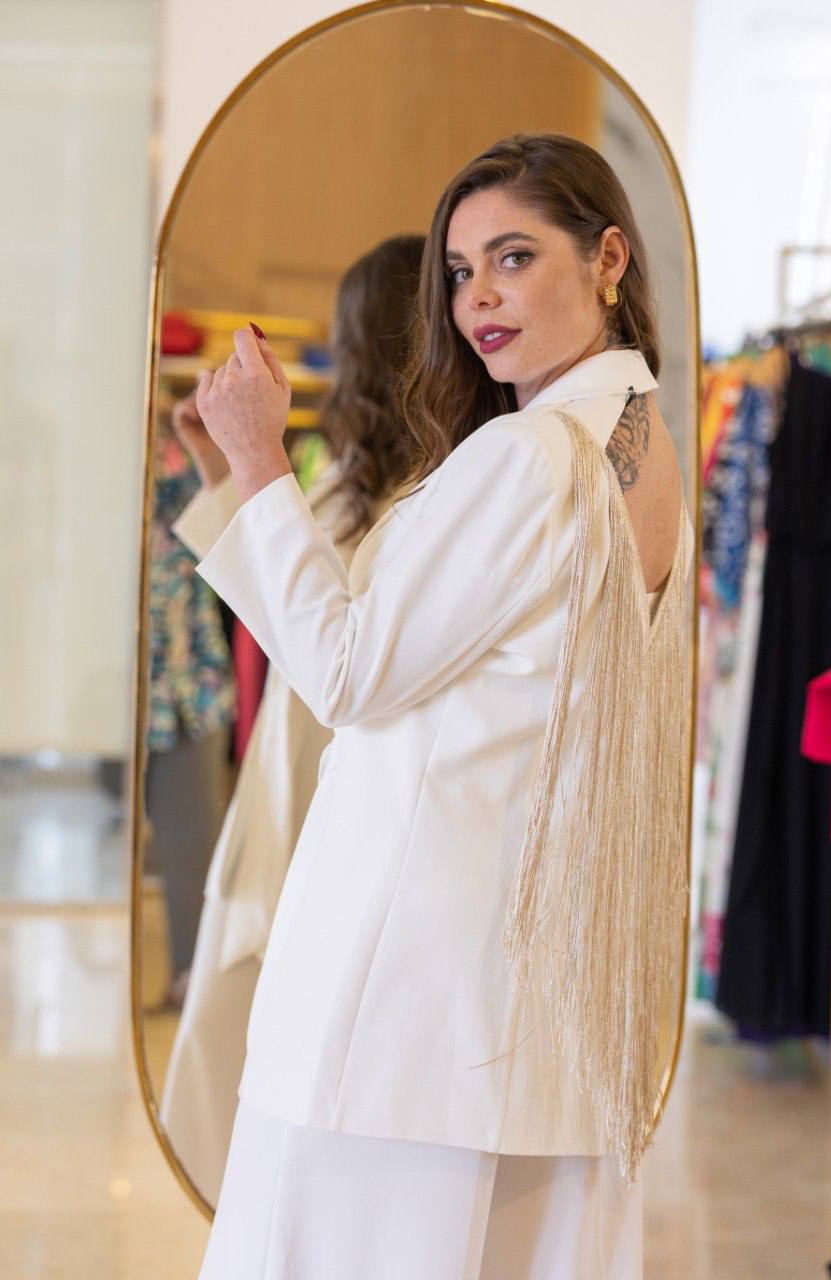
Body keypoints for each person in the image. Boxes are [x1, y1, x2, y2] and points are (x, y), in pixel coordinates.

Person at [193, 135, 694, 1279]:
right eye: (462, 272)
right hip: (526, 1007)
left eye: (514, 257)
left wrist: (259, 456)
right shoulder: (642, 443)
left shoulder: (533, 453)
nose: (479, 300)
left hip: (400, 1006)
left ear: (608, 257)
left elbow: (347, 670)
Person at [158, 234, 426, 1206]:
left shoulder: (426, 490)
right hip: (291, 767)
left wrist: (250, 462)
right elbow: (283, 588)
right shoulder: (356, 474)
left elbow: (319, 628)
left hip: (332, 779)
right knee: (229, 1048)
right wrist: (223, 464)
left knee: (262, 1051)